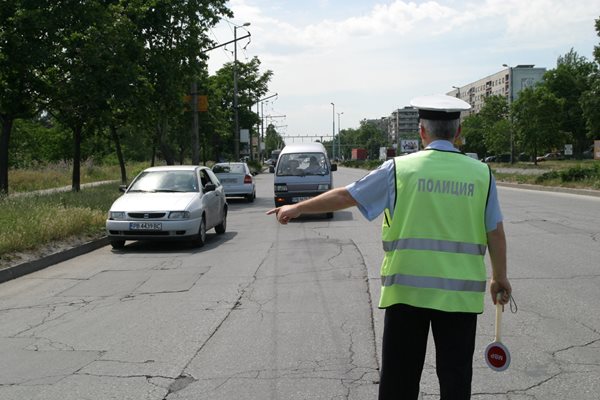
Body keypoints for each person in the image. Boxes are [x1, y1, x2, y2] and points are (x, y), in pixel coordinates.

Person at [266, 94, 512, 400]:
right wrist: (499, 277)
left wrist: (298, 207)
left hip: (406, 295)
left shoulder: (398, 170)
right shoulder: (481, 174)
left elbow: (347, 195)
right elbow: (495, 232)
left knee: (399, 381)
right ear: (459, 132)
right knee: (455, 379)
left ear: (422, 132)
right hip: (459, 299)